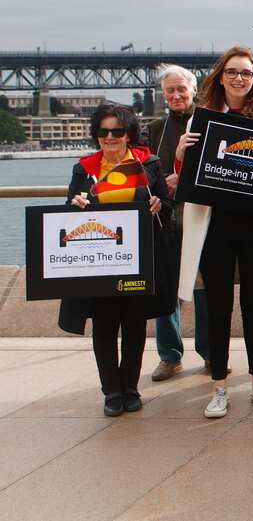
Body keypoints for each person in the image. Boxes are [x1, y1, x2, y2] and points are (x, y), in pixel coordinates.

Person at [175, 45, 253, 419]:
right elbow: (188, 173)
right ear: (220, 75)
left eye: (248, 73)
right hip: (216, 225)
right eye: (233, 71)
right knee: (218, 306)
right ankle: (219, 388)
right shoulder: (202, 118)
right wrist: (180, 151)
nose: (240, 78)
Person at [62, 104, 175, 416]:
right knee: (104, 326)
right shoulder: (84, 169)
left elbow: (167, 206)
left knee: (135, 325)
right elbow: (68, 213)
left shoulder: (149, 164)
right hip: (99, 261)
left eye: (117, 131)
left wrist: (157, 204)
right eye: (103, 131)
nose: (110, 137)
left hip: (138, 259)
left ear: (129, 135)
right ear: (96, 135)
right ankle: (111, 391)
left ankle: (130, 387)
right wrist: (77, 205)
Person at [145, 64, 210, 381]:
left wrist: (181, 178)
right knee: (166, 290)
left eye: (181, 89)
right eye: (169, 91)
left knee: (204, 289)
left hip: (199, 215)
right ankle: (169, 356)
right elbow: (144, 170)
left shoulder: (208, 121)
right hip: (165, 218)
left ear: (193, 90)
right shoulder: (155, 129)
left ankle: (211, 353)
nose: (175, 95)